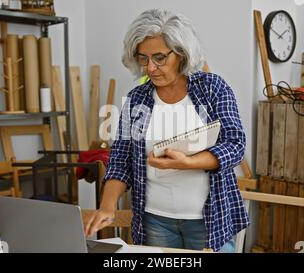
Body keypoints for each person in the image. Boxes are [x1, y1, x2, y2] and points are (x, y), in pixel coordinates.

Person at [84, 9, 249, 252]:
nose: (150, 68)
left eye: (160, 57)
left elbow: (235, 144)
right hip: (155, 221)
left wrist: (187, 162)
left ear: (181, 53)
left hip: (209, 221)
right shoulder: (137, 99)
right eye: (143, 58)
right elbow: (120, 161)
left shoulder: (212, 88)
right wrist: (107, 207)